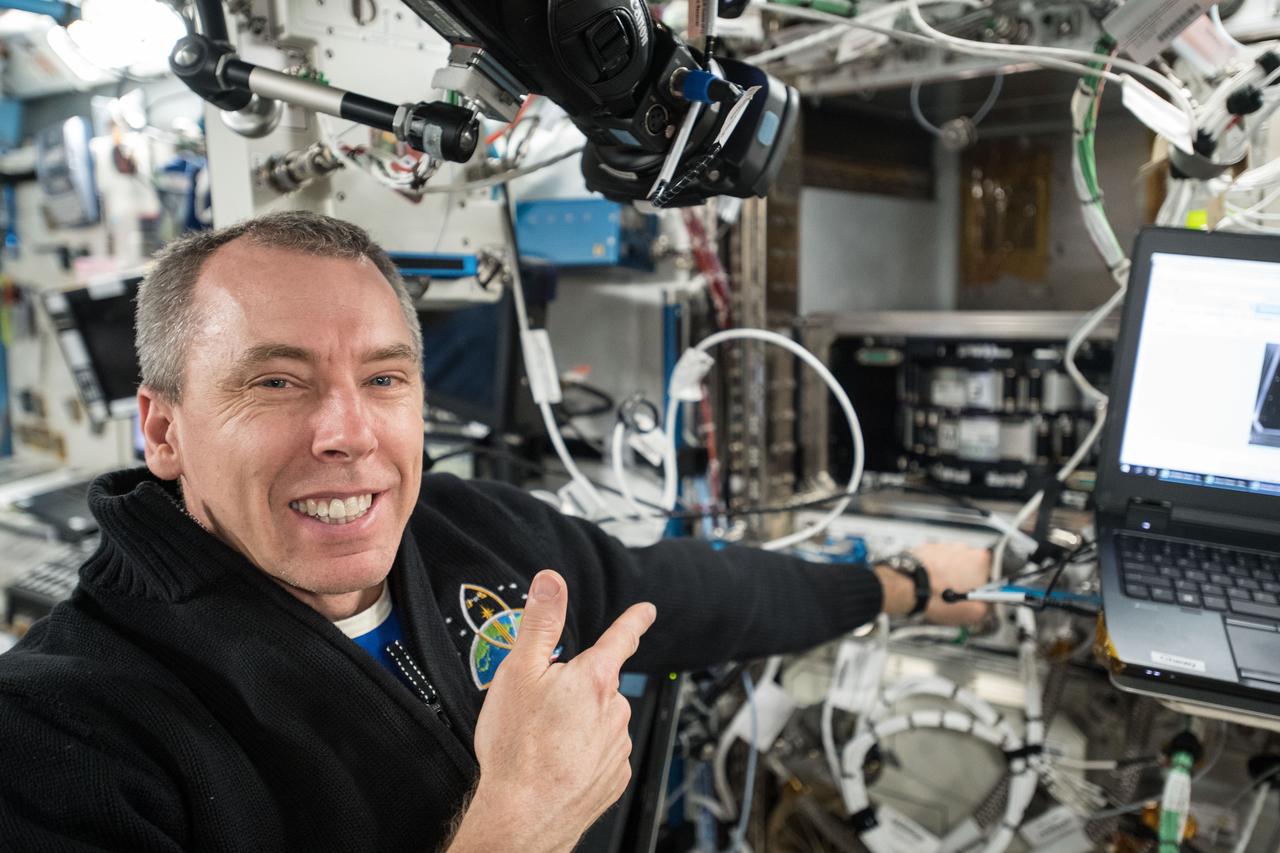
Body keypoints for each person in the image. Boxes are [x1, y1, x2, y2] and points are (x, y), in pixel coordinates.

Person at [0, 211, 991, 851]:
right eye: (275, 382)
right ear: (163, 428)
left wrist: (893, 584)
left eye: (383, 379)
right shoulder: (61, 733)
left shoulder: (459, 530)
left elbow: (680, 594)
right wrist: (514, 832)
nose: (349, 433)